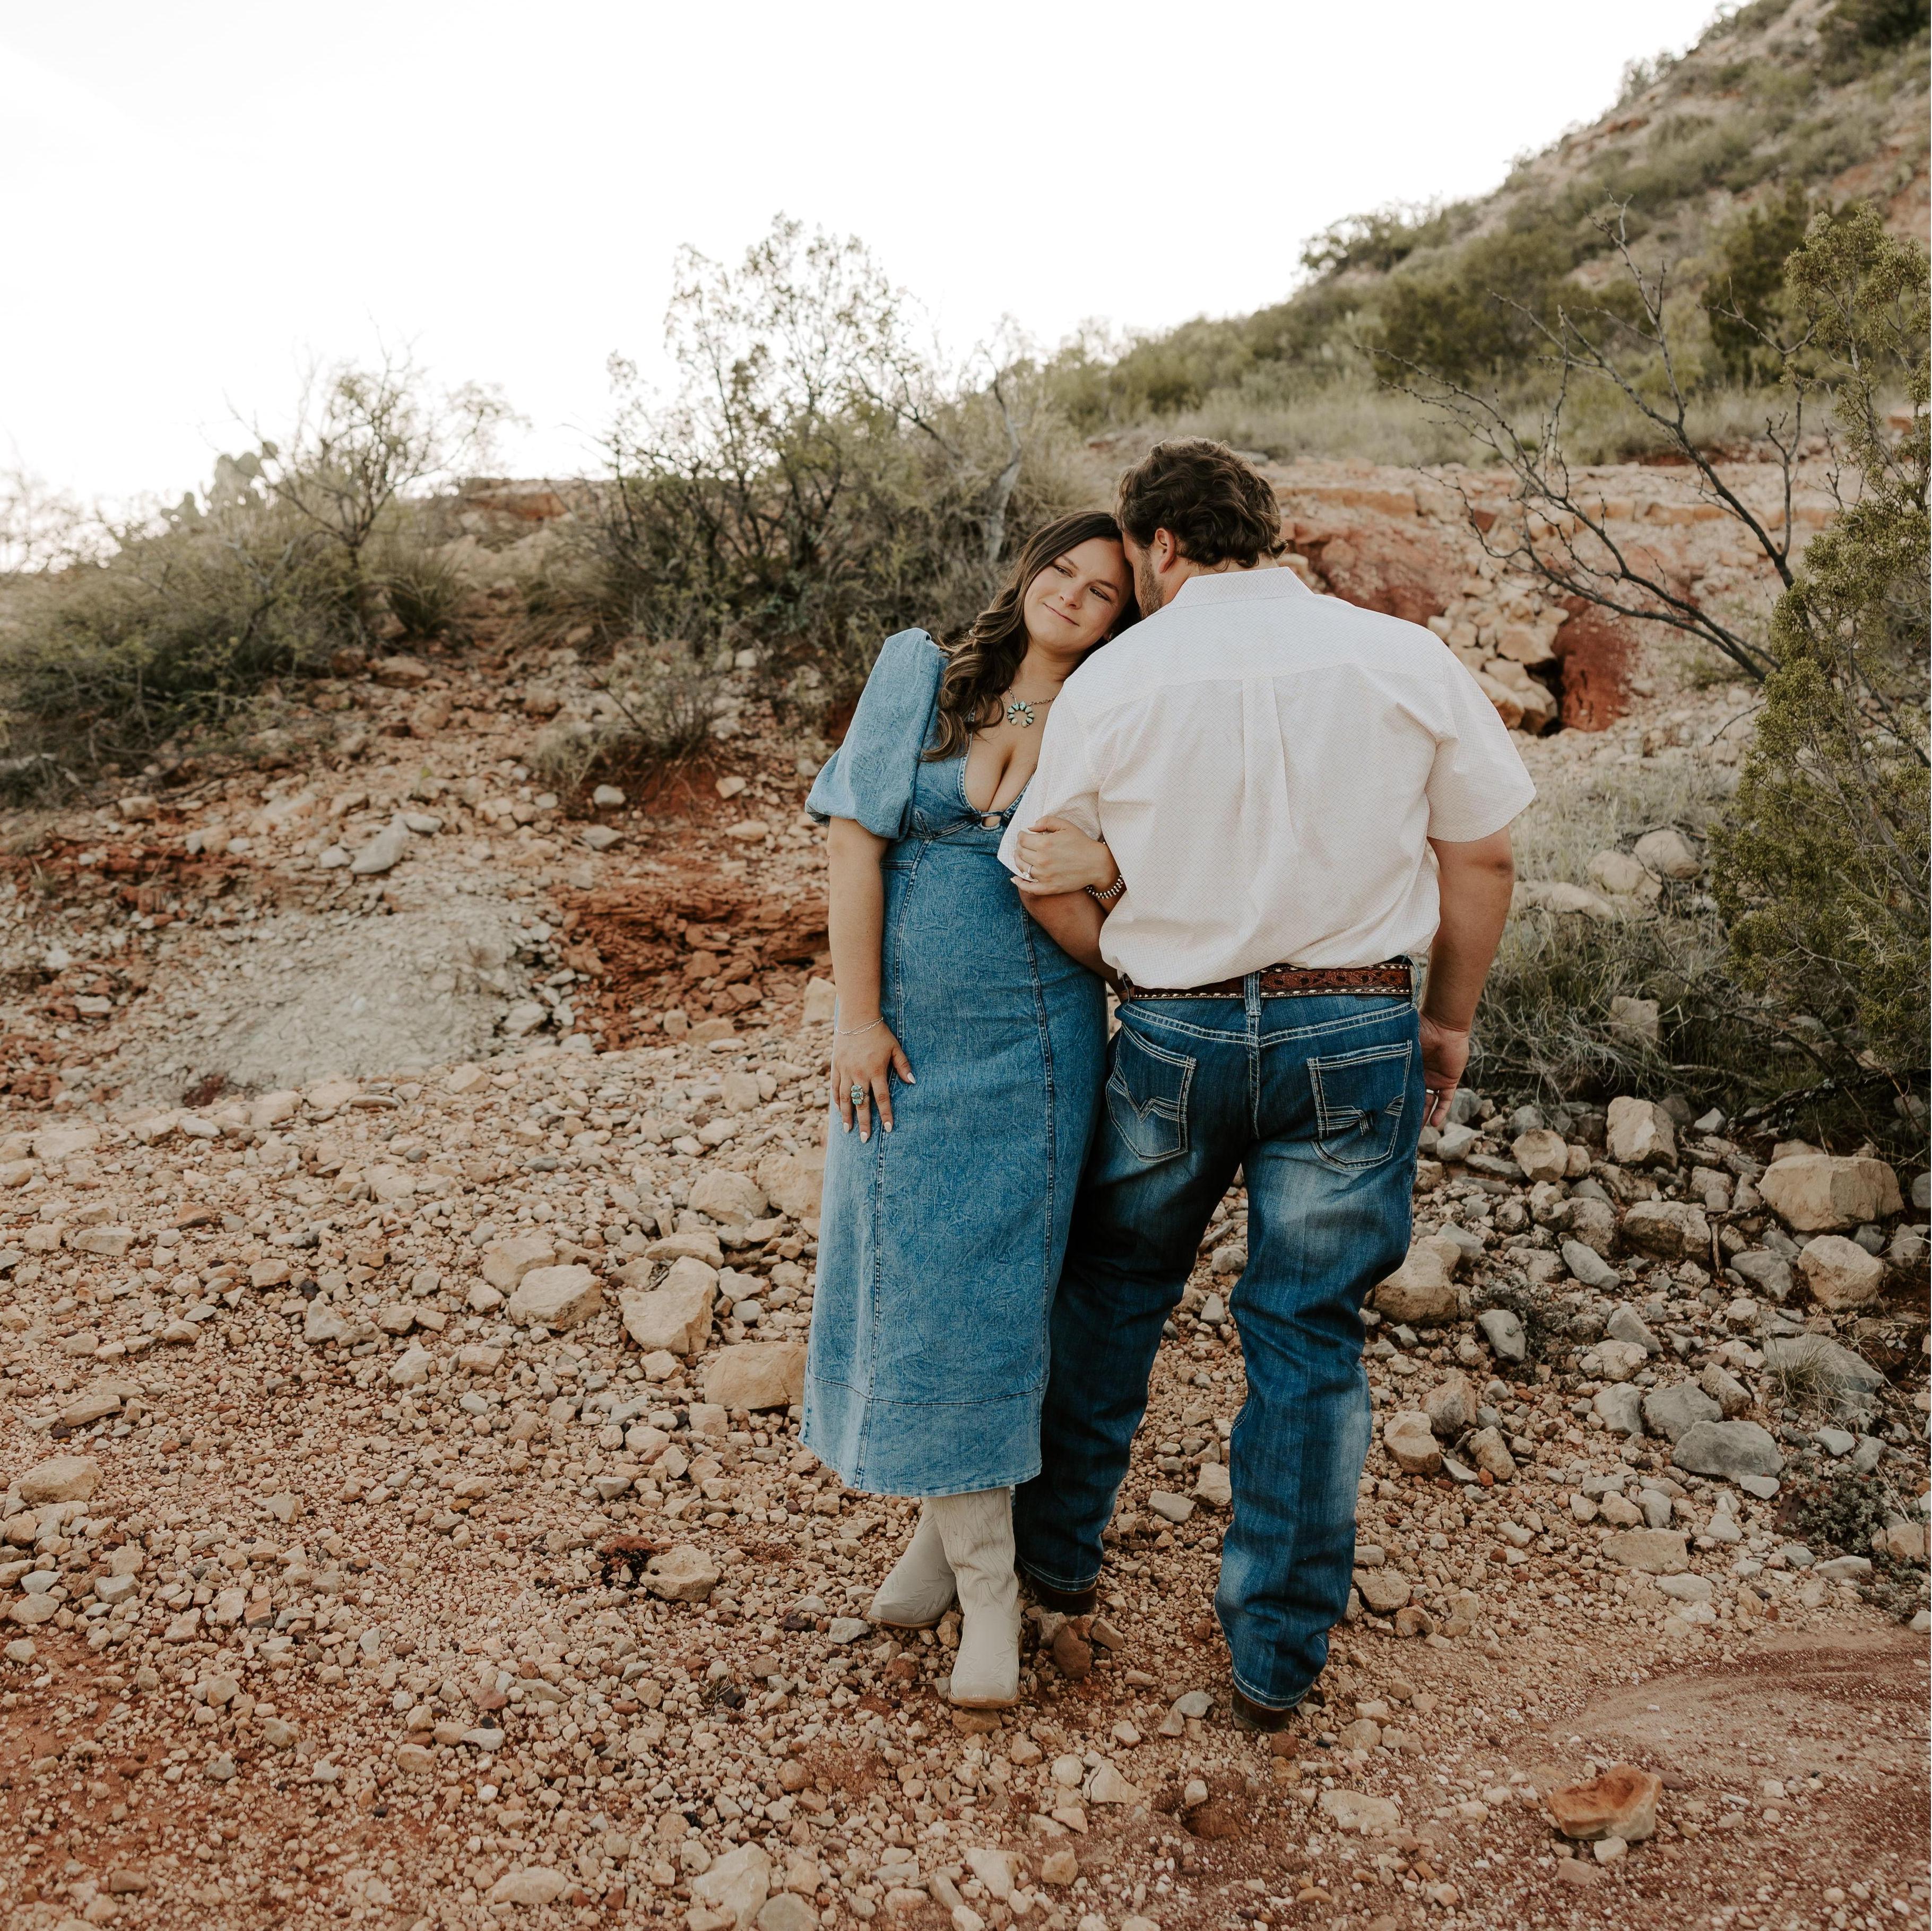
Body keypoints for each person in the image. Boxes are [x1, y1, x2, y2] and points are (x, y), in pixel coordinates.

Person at [1000, 439, 1532, 1729]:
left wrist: (1131, 964)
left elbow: (1037, 867)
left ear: (1159, 546)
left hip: (1175, 1032)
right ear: (1268, 532)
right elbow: (1485, 856)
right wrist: (1446, 1021)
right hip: (1354, 1025)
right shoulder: (1402, 656)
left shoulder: (1120, 677)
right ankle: (1276, 1660)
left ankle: (1052, 1567)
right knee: (1309, 1333)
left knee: (1115, 1294)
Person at [801, 510, 1137, 1708]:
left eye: (1103, 591)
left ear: (1122, 620)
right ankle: (958, 1557)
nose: (1073, 594)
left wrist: (1105, 867)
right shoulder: (924, 676)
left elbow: (1151, 869)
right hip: (905, 1042)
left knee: (992, 1303)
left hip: (1039, 1048)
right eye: (1062, 569)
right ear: (1030, 568)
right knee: (916, 1284)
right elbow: (853, 848)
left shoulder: (1115, 711)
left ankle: (978, 1584)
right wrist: (858, 1018)